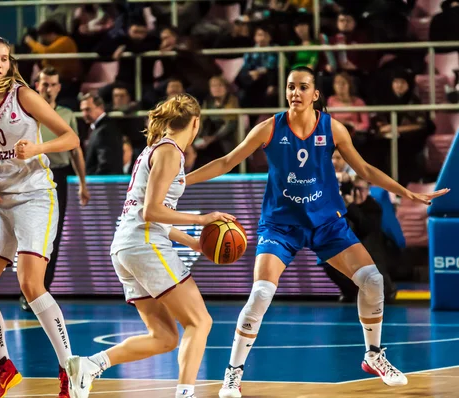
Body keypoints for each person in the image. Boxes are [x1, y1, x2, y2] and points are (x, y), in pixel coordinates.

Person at [185, 66, 449, 398]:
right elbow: (226, 161)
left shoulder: (333, 128)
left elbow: (364, 168)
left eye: (302, 87)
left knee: (372, 279)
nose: (295, 92)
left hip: (326, 223)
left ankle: (374, 356)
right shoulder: (268, 128)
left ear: (315, 94)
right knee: (261, 294)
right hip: (281, 225)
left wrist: (406, 192)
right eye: (291, 87)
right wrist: (182, 180)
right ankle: (233, 374)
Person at [64, 94, 235, 398]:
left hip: (127, 246)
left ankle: (91, 364)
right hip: (143, 243)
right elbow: (151, 211)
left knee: (165, 337)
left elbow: (151, 215)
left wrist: (193, 242)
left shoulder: (152, 150)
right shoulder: (170, 153)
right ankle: (185, 394)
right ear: (195, 123)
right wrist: (202, 218)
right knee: (200, 321)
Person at [0, 36, 80, 398]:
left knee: (31, 284)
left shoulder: (23, 95)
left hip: (36, 196)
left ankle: (71, 369)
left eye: (4, 59)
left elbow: (71, 138)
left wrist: (38, 146)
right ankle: (4, 366)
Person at [18, 66, 90, 312]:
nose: (47, 88)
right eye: (43, 83)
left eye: (52, 84)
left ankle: (42, 289)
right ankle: (28, 289)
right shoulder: (27, 111)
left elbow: (75, 150)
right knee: (28, 232)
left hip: (58, 174)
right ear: (36, 84)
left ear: (59, 87)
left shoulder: (67, 114)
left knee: (53, 234)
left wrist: (82, 183)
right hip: (30, 172)